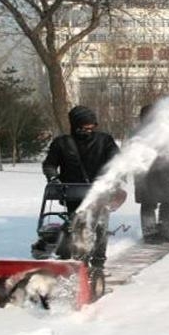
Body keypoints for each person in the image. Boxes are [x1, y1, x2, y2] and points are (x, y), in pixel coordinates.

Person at [37, 105, 120, 267]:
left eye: (92, 126)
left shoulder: (105, 140)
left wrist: (112, 175)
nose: (89, 130)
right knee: (76, 226)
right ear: (75, 125)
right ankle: (77, 259)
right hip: (72, 193)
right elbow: (49, 164)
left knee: (99, 225)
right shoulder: (61, 143)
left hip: (100, 192)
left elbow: (116, 159)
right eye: (84, 127)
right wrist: (53, 178)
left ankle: (98, 261)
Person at [134, 104, 169, 244]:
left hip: (164, 169)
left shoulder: (163, 130)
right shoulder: (138, 133)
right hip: (145, 171)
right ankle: (150, 234)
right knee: (148, 202)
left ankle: (166, 232)